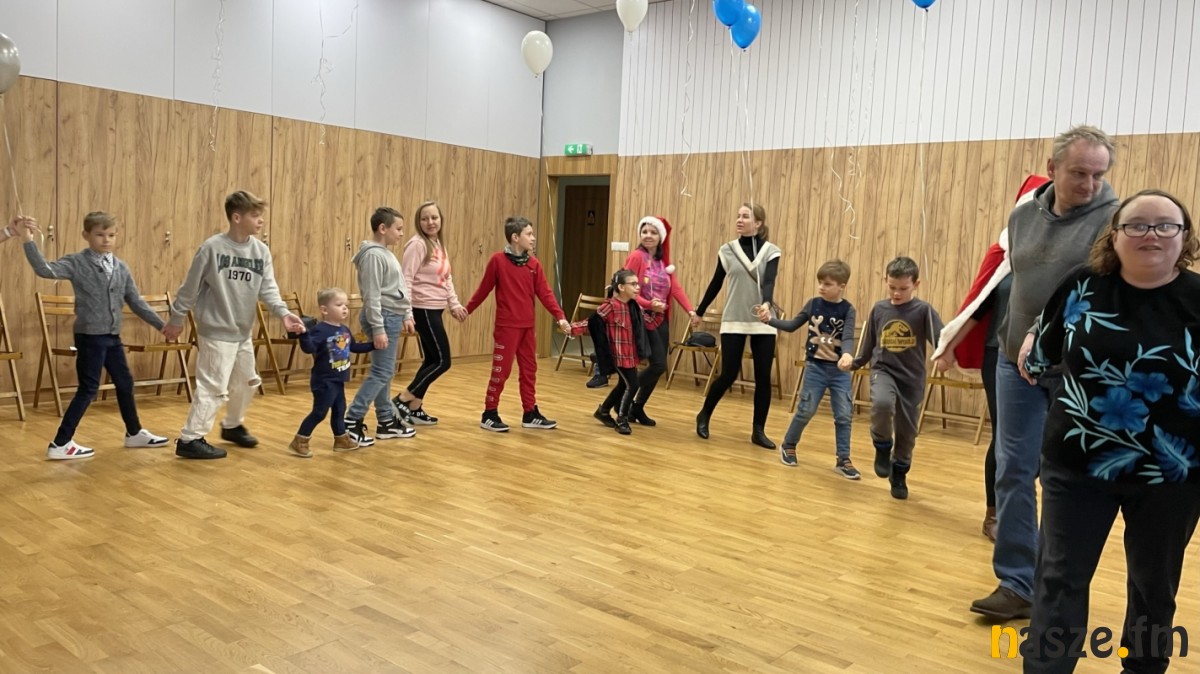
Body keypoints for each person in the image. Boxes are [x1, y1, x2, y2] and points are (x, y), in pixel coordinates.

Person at [1019, 189, 1200, 672]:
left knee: (1153, 586)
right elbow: (1041, 352)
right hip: (1076, 465)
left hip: (1172, 475)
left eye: (1166, 225)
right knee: (1060, 580)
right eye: (1137, 225)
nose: (1151, 234)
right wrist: (1030, 347)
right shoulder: (1082, 285)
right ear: (1114, 236)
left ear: (1185, 237)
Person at [970, 126, 1121, 621]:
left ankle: (1057, 585)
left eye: (1099, 174)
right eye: (1079, 173)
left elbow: (1107, 296)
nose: (1090, 184)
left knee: (1067, 477)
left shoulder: (1115, 221)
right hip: (1015, 363)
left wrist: (1048, 333)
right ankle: (1016, 583)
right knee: (1013, 469)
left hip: (1078, 370)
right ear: (1052, 168)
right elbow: (1015, 283)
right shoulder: (1021, 217)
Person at [933, 175, 1050, 541]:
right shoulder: (1002, 254)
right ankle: (995, 513)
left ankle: (1021, 508)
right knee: (1007, 436)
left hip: (1048, 361)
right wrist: (948, 346)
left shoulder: (1059, 256)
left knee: (1042, 442)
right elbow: (977, 306)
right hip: (998, 357)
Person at [165, 190, 305, 460]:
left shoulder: (260, 251)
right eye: (255, 215)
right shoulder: (212, 248)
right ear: (237, 217)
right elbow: (190, 287)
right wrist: (177, 318)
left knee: (247, 381)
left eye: (261, 215)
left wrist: (284, 314)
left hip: (242, 332)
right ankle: (190, 439)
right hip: (216, 331)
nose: (261, 220)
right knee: (213, 387)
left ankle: (231, 425)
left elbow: (269, 289)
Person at [17, 213, 170, 459]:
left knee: (125, 383)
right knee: (89, 389)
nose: (106, 240)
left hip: (112, 337)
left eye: (111, 235)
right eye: (100, 235)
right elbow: (44, 270)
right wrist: (28, 239)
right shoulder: (76, 262)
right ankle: (60, 443)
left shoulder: (120, 267)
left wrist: (162, 326)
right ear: (86, 235)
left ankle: (134, 433)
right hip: (90, 337)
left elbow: (135, 301)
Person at [844, 256, 943, 500]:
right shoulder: (880, 309)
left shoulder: (923, 311)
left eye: (903, 288)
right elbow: (869, 343)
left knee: (907, 432)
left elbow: (941, 340)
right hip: (883, 370)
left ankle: (899, 472)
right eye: (892, 287)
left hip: (912, 378)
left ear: (916, 284)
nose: (897, 293)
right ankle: (882, 445)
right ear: (885, 281)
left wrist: (945, 356)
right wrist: (855, 362)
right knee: (882, 404)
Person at [465, 216, 571, 432]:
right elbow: (483, 289)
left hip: (527, 327)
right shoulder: (497, 261)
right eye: (528, 234)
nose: (533, 238)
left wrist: (560, 316)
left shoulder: (534, 264)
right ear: (515, 237)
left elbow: (546, 293)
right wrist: (467, 310)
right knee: (501, 371)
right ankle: (489, 413)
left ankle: (530, 413)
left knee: (529, 370)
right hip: (507, 328)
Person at [693, 202, 782, 449]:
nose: (739, 220)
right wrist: (699, 312)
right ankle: (704, 414)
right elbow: (716, 283)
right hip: (733, 318)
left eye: (745, 216)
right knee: (729, 373)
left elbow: (769, 282)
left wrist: (767, 303)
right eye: (738, 216)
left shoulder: (772, 251)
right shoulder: (727, 250)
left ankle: (758, 431)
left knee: (763, 377)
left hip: (763, 319)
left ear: (759, 223)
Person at [758, 259, 858, 477]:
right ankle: (789, 444)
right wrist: (770, 321)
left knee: (843, 414)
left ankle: (843, 459)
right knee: (806, 410)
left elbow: (848, 336)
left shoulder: (848, 309)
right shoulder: (813, 304)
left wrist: (847, 353)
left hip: (839, 372)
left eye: (828, 284)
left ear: (842, 286)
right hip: (815, 368)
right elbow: (792, 325)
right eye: (820, 282)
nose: (821, 287)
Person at [345, 207, 417, 446]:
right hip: (383, 317)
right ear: (383, 228)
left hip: (391, 315)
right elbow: (372, 295)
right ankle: (352, 419)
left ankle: (386, 420)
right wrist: (378, 328)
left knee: (384, 371)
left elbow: (398, 288)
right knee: (382, 371)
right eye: (398, 229)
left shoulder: (385, 253)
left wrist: (406, 313)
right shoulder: (373, 256)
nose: (401, 233)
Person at [391, 201, 466, 426]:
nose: (430, 222)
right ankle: (402, 399)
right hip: (422, 308)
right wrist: (407, 313)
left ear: (441, 219)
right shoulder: (417, 245)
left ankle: (415, 408)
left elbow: (446, 278)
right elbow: (406, 280)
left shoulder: (438, 244)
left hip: (436, 308)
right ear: (419, 222)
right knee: (443, 361)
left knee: (432, 359)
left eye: (434, 217)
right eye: (425, 219)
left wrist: (454, 304)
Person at [622, 216, 699, 425]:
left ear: (660, 237)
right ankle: (621, 397)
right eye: (644, 231)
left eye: (653, 232)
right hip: (640, 318)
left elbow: (676, 288)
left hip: (660, 319)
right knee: (657, 365)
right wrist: (648, 304)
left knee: (658, 366)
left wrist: (691, 311)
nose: (648, 236)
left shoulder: (663, 261)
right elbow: (627, 290)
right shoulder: (636, 257)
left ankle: (636, 408)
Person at [570, 269, 663, 435]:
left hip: (630, 355)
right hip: (617, 356)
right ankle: (622, 419)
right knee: (633, 384)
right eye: (633, 284)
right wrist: (570, 329)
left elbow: (650, 323)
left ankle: (603, 411)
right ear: (621, 287)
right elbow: (591, 323)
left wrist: (657, 311)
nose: (637, 287)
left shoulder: (635, 306)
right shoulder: (610, 306)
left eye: (638, 284)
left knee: (623, 384)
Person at [288, 288, 374, 458]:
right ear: (324, 310)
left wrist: (374, 345)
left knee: (340, 409)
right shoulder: (320, 330)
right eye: (339, 304)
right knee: (320, 412)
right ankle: (300, 440)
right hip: (324, 380)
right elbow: (309, 348)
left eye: (346, 305)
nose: (345, 308)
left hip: (338, 379)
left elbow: (354, 347)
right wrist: (303, 334)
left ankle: (341, 440)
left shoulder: (345, 330)